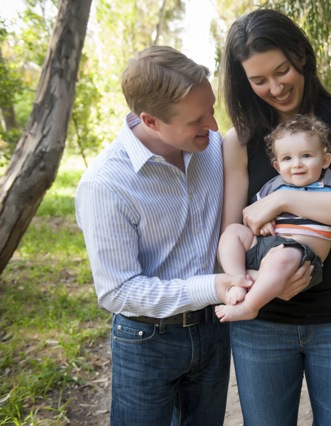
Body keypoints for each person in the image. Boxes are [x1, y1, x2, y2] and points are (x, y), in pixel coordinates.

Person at [219, 8, 331, 426]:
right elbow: (232, 229)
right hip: (263, 323)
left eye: (282, 71)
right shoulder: (238, 140)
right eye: (259, 80)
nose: (276, 88)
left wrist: (281, 202)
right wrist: (258, 285)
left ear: (301, 55)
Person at [75, 46, 259, 426]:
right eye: (197, 119)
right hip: (146, 340)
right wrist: (212, 286)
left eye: (211, 109)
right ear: (151, 121)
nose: (212, 125)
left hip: (213, 329)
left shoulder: (211, 151)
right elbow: (117, 291)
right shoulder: (105, 185)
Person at [215, 114, 331, 322]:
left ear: (325, 160)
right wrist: (263, 221)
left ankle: (250, 306)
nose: (297, 164)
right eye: (287, 159)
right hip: (266, 246)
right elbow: (253, 213)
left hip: (300, 255)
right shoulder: (274, 186)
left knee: (282, 257)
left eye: (307, 156)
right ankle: (237, 280)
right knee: (232, 232)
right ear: (277, 166)